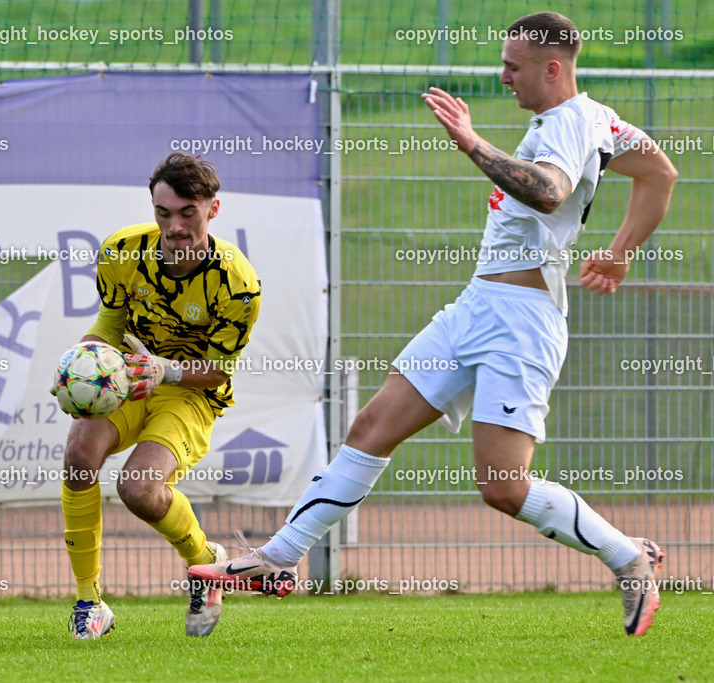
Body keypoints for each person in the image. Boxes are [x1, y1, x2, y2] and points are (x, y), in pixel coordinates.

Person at [190, 11, 678, 636]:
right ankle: (278, 558)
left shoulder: (570, 122)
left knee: (503, 486)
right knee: (371, 428)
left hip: (521, 325)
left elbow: (550, 191)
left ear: (553, 69)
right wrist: (620, 251)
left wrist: (472, 142)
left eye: (513, 66)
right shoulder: (597, 118)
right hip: (477, 305)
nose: (503, 76)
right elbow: (660, 173)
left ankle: (628, 556)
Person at [52, 152, 262, 639]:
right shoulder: (122, 251)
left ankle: (206, 562)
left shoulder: (238, 283)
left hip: (190, 390)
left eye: (188, 213)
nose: (175, 227)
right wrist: (77, 364)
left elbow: (217, 370)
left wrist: (164, 370)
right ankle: (90, 603)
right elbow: (110, 325)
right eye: (163, 213)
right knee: (79, 458)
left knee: (138, 489)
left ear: (213, 209)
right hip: (127, 378)